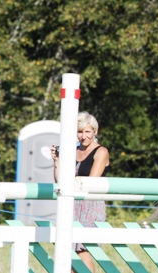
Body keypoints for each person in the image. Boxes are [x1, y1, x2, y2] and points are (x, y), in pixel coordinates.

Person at [52, 112, 110, 273]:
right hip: (71, 204)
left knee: (82, 250)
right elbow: (60, 181)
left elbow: (90, 182)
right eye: (80, 132)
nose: (83, 136)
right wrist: (57, 162)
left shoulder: (101, 151)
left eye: (87, 131)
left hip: (90, 205)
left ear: (95, 132)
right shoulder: (72, 150)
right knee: (69, 253)